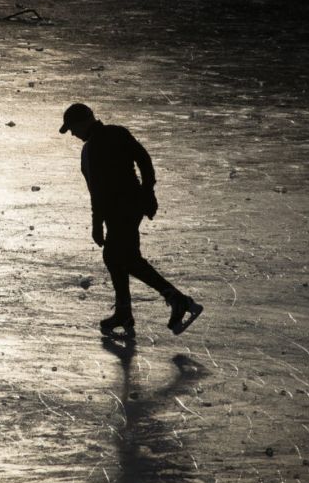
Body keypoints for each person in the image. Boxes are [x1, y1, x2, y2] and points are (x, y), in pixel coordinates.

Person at [60, 103, 202, 337]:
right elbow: (144, 161)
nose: (73, 134)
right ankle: (125, 312)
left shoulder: (92, 149)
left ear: (84, 122)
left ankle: (178, 300)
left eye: (73, 128)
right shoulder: (118, 132)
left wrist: (97, 224)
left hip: (119, 210)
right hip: (134, 204)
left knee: (126, 259)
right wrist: (148, 192)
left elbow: (98, 192)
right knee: (118, 258)